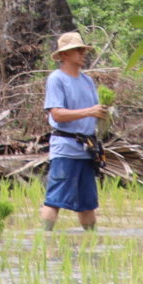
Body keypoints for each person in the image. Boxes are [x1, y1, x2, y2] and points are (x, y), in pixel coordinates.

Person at [43, 31, 107, 234]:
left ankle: (93, 242)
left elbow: (96, 112)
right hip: (66, 149)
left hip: (86, 150)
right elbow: (57, 114)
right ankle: (44, 240)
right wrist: (90, 111)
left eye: (83, 50)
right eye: (77, 50)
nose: (82, 53)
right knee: (54, 200)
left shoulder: (87, 81)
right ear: (64, 55)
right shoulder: (57, 79)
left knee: (88, 204)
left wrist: (105, 113)